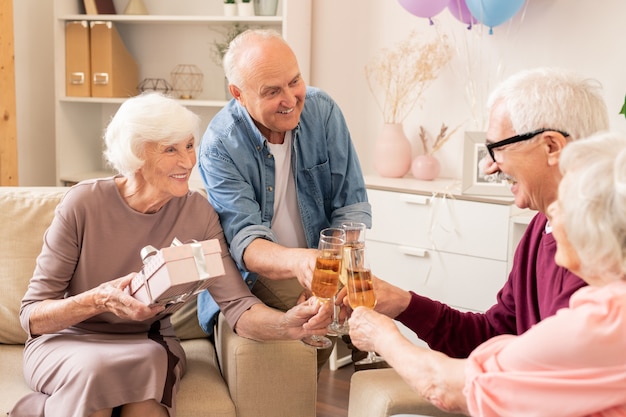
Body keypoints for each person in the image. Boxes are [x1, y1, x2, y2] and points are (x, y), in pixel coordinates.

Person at [12, 92, 332, 417]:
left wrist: (289, 325)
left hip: (146, 342)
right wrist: (98, 300)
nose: (187, 161)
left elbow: (237, 306)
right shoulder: (83, 204)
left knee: (145, 403)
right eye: (171, 149)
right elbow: (32, 317)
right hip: (68, 340)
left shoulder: (197, 214)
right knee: (97, 374)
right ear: (136, 154)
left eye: (190, 145)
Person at [349, 130, 626, 415]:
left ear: (601, 227)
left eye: (565, 202)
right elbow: (496, 335)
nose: (552, 209)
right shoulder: (596, 296)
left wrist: (380, 336)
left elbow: (446, 387)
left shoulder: (606, 320)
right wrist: (402, 303)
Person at [358, 67, 610, 359]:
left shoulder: (601, 254)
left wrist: (386, 341)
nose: (487, 167)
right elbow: (492, 335)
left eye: (497, 149)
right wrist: (401, 303)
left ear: (551, 146)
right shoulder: (542, 224)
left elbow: (542, 377)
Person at [196, 28, 371, 347]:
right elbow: (246, 242)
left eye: (294, 81)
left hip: (321, 260)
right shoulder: (219, 146)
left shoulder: (322, 111)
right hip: (260, 273)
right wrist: (301, 263)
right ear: (239, 93)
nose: (290, 100)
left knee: (368, 309)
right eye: (272, 91)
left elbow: (350, 206)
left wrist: (328, 274)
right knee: (312, 316)